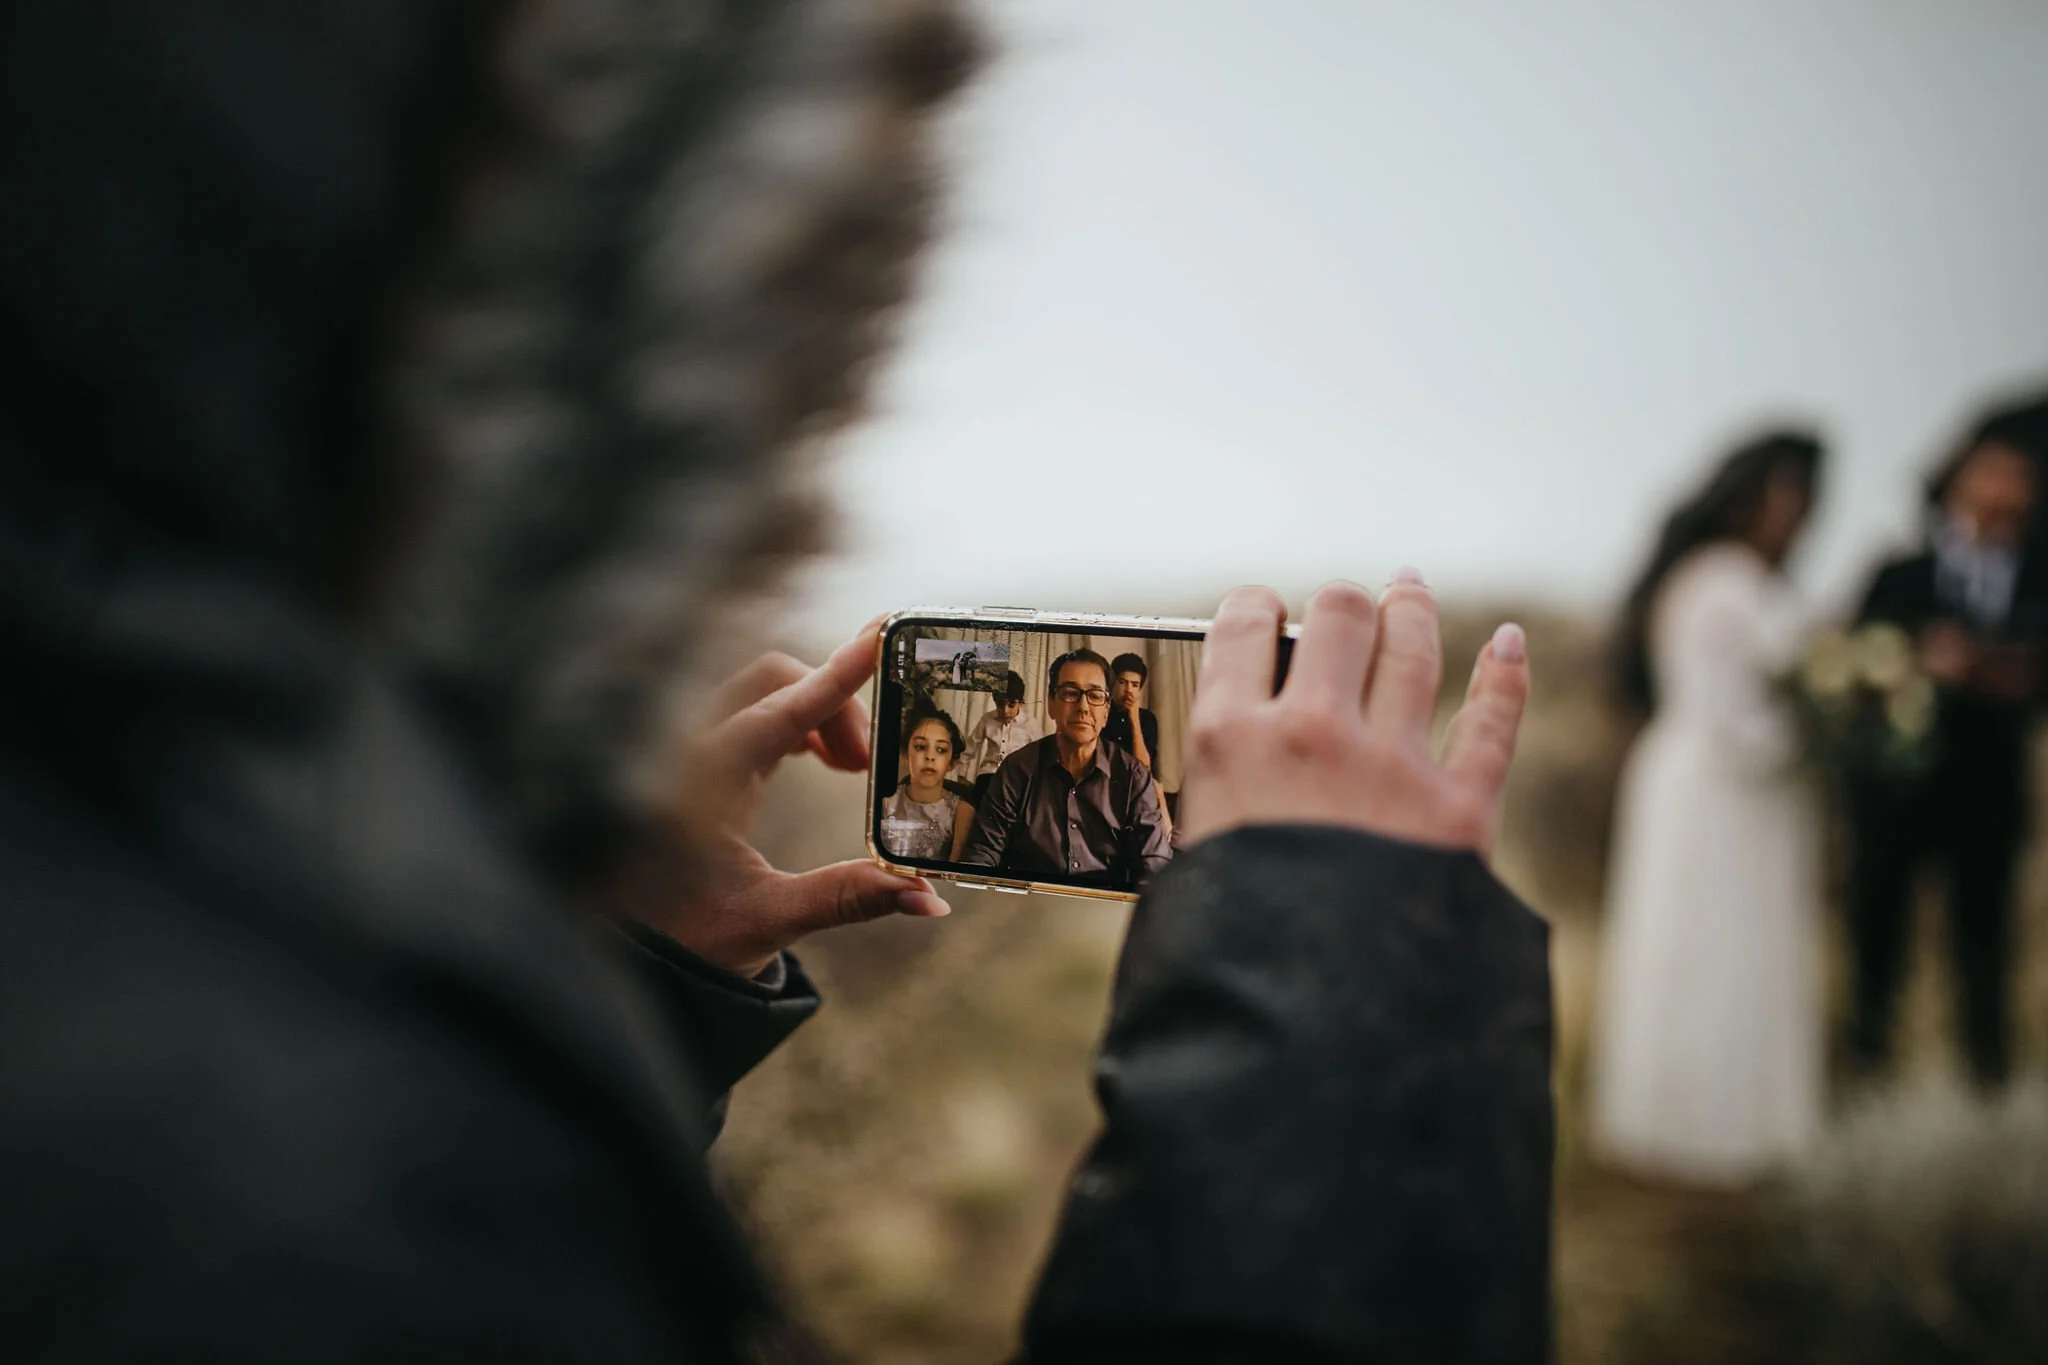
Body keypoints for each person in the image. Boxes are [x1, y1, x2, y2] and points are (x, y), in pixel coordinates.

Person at [1, 4, 1553, 1361]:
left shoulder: (145, 931)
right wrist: (1324, 1053)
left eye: (1094, 706)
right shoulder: (314, 1186)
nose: (1081, 718)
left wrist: (619, 980)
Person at [1591, 430, 1827, 1185]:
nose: (1797, 516)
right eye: (1786, 494)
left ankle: (1696, 1115)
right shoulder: (1726, 580)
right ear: (1748, 494)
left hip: (1699, 782)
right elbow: (1733, 718)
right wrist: (1821, 736)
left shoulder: (1713, 577)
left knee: (1711, 946)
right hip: (1724, 786)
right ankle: (1708, 1125)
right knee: (1715, 947)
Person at [1846, 413, 2047, 1089]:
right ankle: (1867, 1085)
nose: (2003, 488)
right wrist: (1915, 662)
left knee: (1985, 953)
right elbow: (1851, 667)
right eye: (1989, 471)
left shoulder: (2037, 582)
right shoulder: (1901, 574)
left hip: (1990, 798)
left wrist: (2000, 670)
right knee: (1879, 949)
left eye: (2018, 475)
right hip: (1896, 799)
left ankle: (1987, 1091)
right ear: (1953, 482)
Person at [956, 650, 1172, 888]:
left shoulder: (1134, 779)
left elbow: (1155, 867)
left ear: (1106, 711)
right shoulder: (1016, 770)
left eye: (1095, 695)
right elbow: (983, 851)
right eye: (1070, 693)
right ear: (1051, 704)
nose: (1083, 707)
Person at [881, 710, 975, 861]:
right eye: (920, 747)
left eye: (941, 750)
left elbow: (952, 876)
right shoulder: (886, 802)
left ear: (951, 761)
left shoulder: (962, 812)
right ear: (906, 753)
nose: (930, 757)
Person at [962, 669, 1041, 783]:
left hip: (1016, 778)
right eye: (1000, 705)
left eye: (1011, 705)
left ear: (1021, 703)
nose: (1005, 711)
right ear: (994, 700)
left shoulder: (1030, 724)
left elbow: (1041, 756)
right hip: (988, 775)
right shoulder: (987, 719)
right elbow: (969, 749)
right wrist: (962, 775)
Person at [1102, 652, 1162, 773]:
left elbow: (1143, 769)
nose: (1128, 690)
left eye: (1135, 685)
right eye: (1122, 682)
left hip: (1136, 784)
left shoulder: (1148, 719)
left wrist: (1134, 719)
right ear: (1112, 684)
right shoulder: (1100, 713)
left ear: (1140, 689)